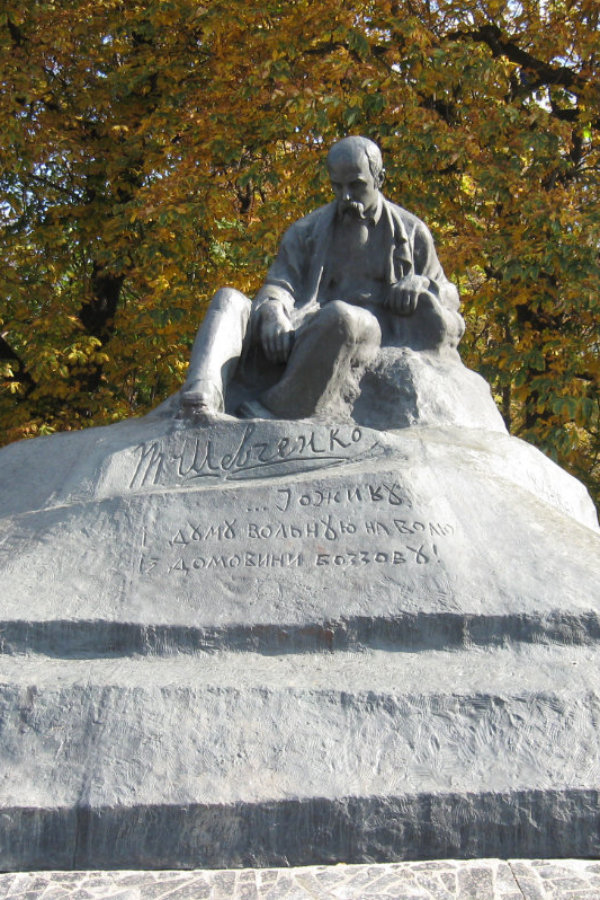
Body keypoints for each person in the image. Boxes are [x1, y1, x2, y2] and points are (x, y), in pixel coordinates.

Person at [181, 136, 464, 420]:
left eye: (356, 185)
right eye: (337, 186)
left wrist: (422, 283)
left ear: (379, 178)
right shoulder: (306, 231)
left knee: (342, 316)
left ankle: (275, 409)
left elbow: (449, 295)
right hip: (302, 325)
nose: (346, 197)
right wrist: (272, 312)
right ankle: (202, 399)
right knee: (228, 298)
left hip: (364, 331)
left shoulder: (412, 231)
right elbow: (279, 285)